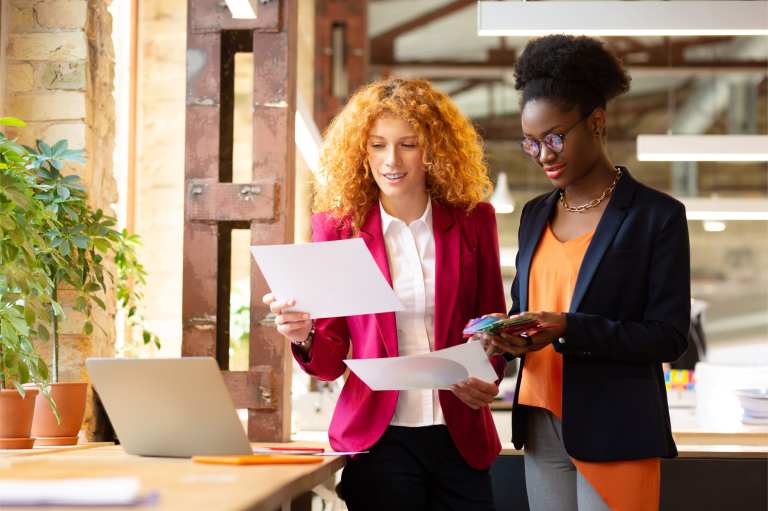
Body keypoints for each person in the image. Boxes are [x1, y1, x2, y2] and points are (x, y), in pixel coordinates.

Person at [263, 78, 507, 511]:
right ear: (363, 151)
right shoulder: (338, 229)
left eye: (408, 144)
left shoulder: (474, 222)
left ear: (432, 149)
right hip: (379, 437)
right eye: (377, 145)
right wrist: (304, 334)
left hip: (459, 435)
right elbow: (330, 360)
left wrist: (488, 374)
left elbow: (492, 324)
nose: (391, 160)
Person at [482, 35, 691, 511]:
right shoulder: (534, 213)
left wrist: (569, 329)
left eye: (555, 137)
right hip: (538, 418)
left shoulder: (655, 216)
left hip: (615, 425)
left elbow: (668, 336)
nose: (543, 155)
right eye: (531, 142)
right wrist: (508, 335)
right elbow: (526, 309)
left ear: (596, 122)